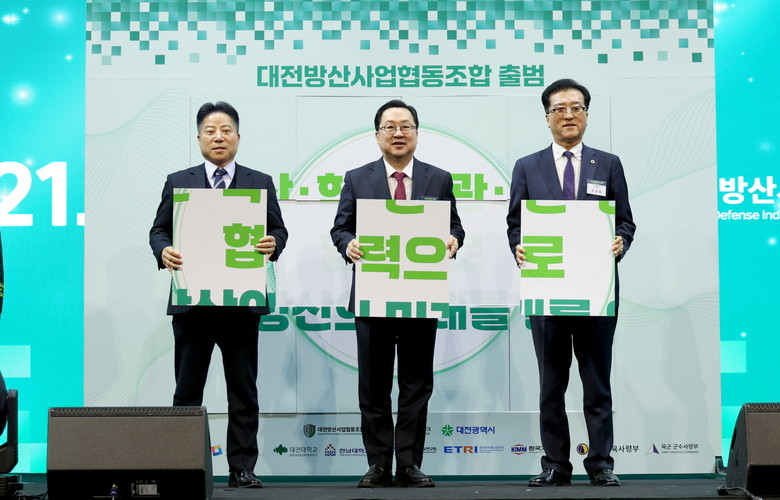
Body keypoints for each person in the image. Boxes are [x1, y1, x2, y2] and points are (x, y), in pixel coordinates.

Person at [149, 101, 288, 489]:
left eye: (226, 130)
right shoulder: (179, 181)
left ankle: (242, 468)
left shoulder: (260, 182)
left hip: (241, 306)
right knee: (187, 392)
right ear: (199, 139)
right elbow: (158, 230)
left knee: (243, 391)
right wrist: (163, 250)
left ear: (238, 137)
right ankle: (182, 468)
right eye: (210, 131)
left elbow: (279, 230)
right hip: (193, 305)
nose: (219, 137)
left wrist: (273, 243)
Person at [506, 79, 636, 487]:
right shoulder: (527, 166)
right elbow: (515, 224)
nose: (568, 115)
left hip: (597, 290)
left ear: (586, 115)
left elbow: (625, 221)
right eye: (559, 109)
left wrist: (621, 241)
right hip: (547, 291)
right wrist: (518, 247)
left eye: (576, 107)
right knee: (551, 384)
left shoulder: (608, 164)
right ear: (547, 118)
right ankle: (555, 464)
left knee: (597, 382)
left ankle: (600, 463)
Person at [331, 99, 465, 488]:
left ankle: (408, 463)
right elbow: (340, 228)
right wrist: (348, 244)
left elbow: (454, 224)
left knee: (416, 385)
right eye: (389, 127)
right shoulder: (357, 178)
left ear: (417, 134)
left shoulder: (439, 178)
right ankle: (377, 464)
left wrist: (454, 239)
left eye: (406, 126)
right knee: (373, 385)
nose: (398, 133)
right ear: (377, 136)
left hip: (421, 294)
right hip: (373, 294)